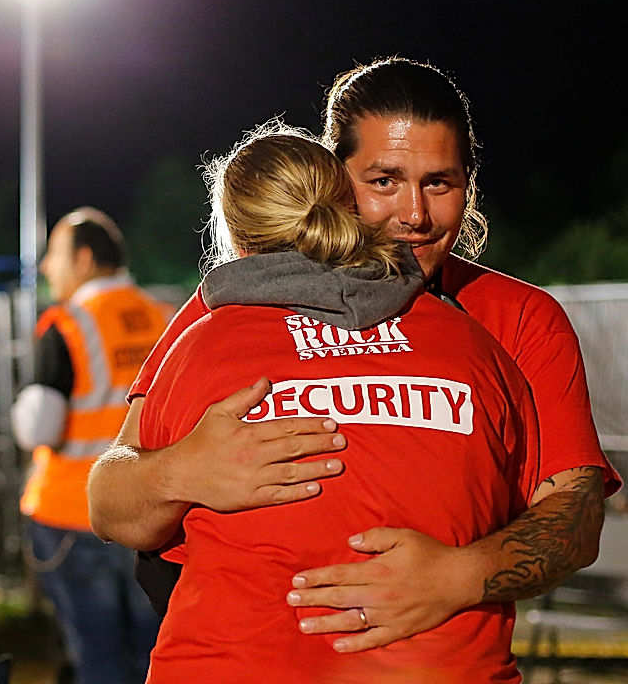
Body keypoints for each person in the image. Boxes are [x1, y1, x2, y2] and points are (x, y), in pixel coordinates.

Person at [88, 57, 620, 651]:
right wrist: (179, 471)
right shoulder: (232, 314)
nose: (414, 215)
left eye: (438, 183)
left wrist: (458, 576)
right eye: (384, 181)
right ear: (333, 180)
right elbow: (111, 500)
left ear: (468, 184)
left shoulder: (519, 320)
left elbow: (576, 517)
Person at [138, 123, 540, 682]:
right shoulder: (475, 347)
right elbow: (534, 518)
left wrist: (179, 475)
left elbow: (128, 519)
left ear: (238, 242)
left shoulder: (202, 348)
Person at [11, 207, 172, 684]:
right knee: (156, 654)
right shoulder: (167, 318)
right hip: (155, 513)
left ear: (83, 260)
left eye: (53, 254)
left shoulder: (68, 324)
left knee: (98, 658)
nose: (46, 267)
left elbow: (39, 428)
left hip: (74, 515)